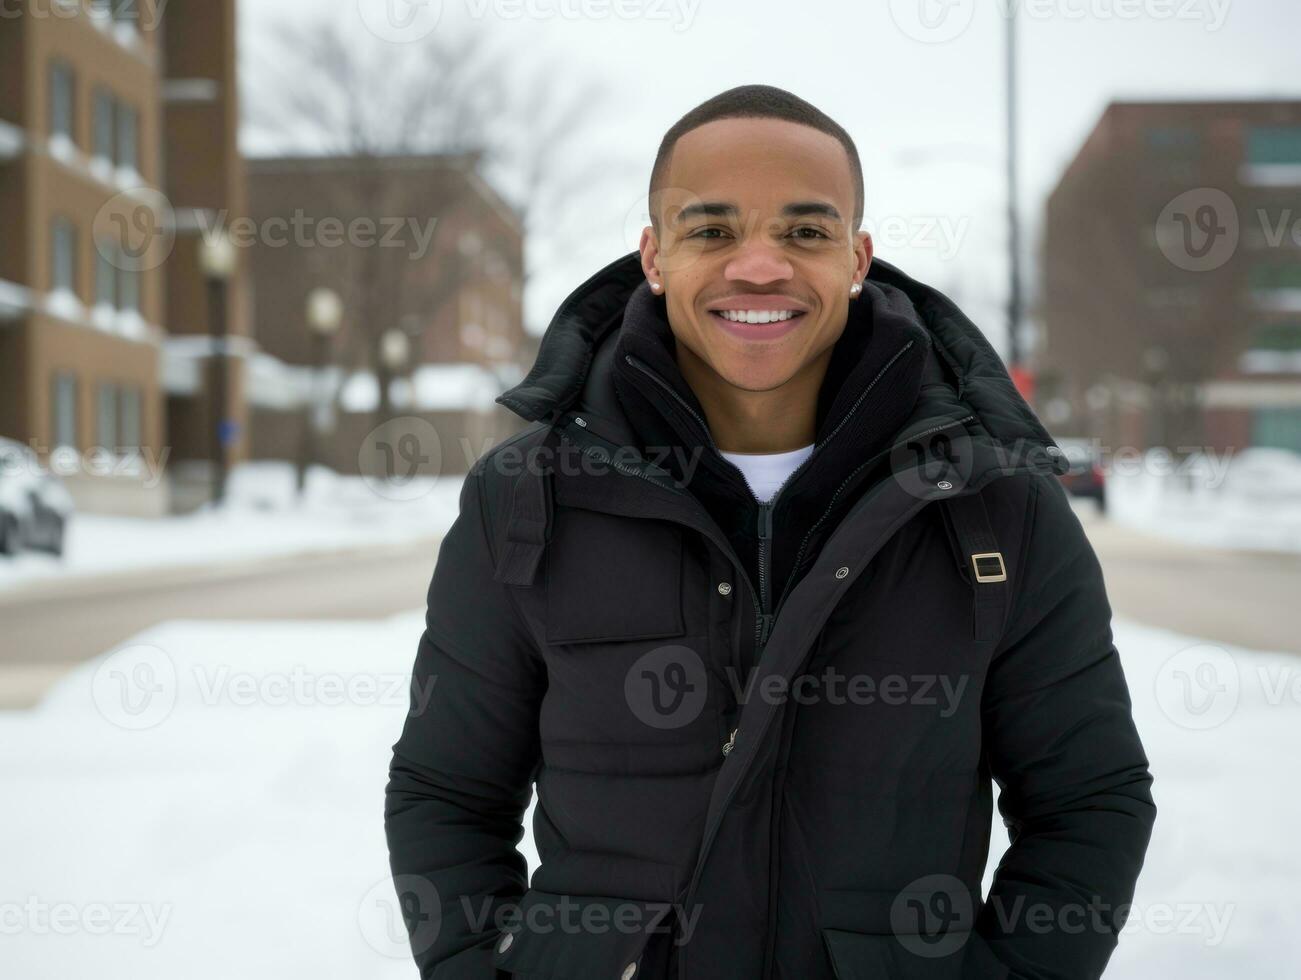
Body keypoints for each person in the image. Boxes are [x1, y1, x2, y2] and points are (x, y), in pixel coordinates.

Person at [385, 84, 1156, 980]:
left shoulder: (997, 505)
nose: (759, 268)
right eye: (711, 231)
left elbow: (1088, 799)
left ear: (858, 257)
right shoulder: (525, 497)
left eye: (804, 232)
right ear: (654, 256)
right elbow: (445, 793)